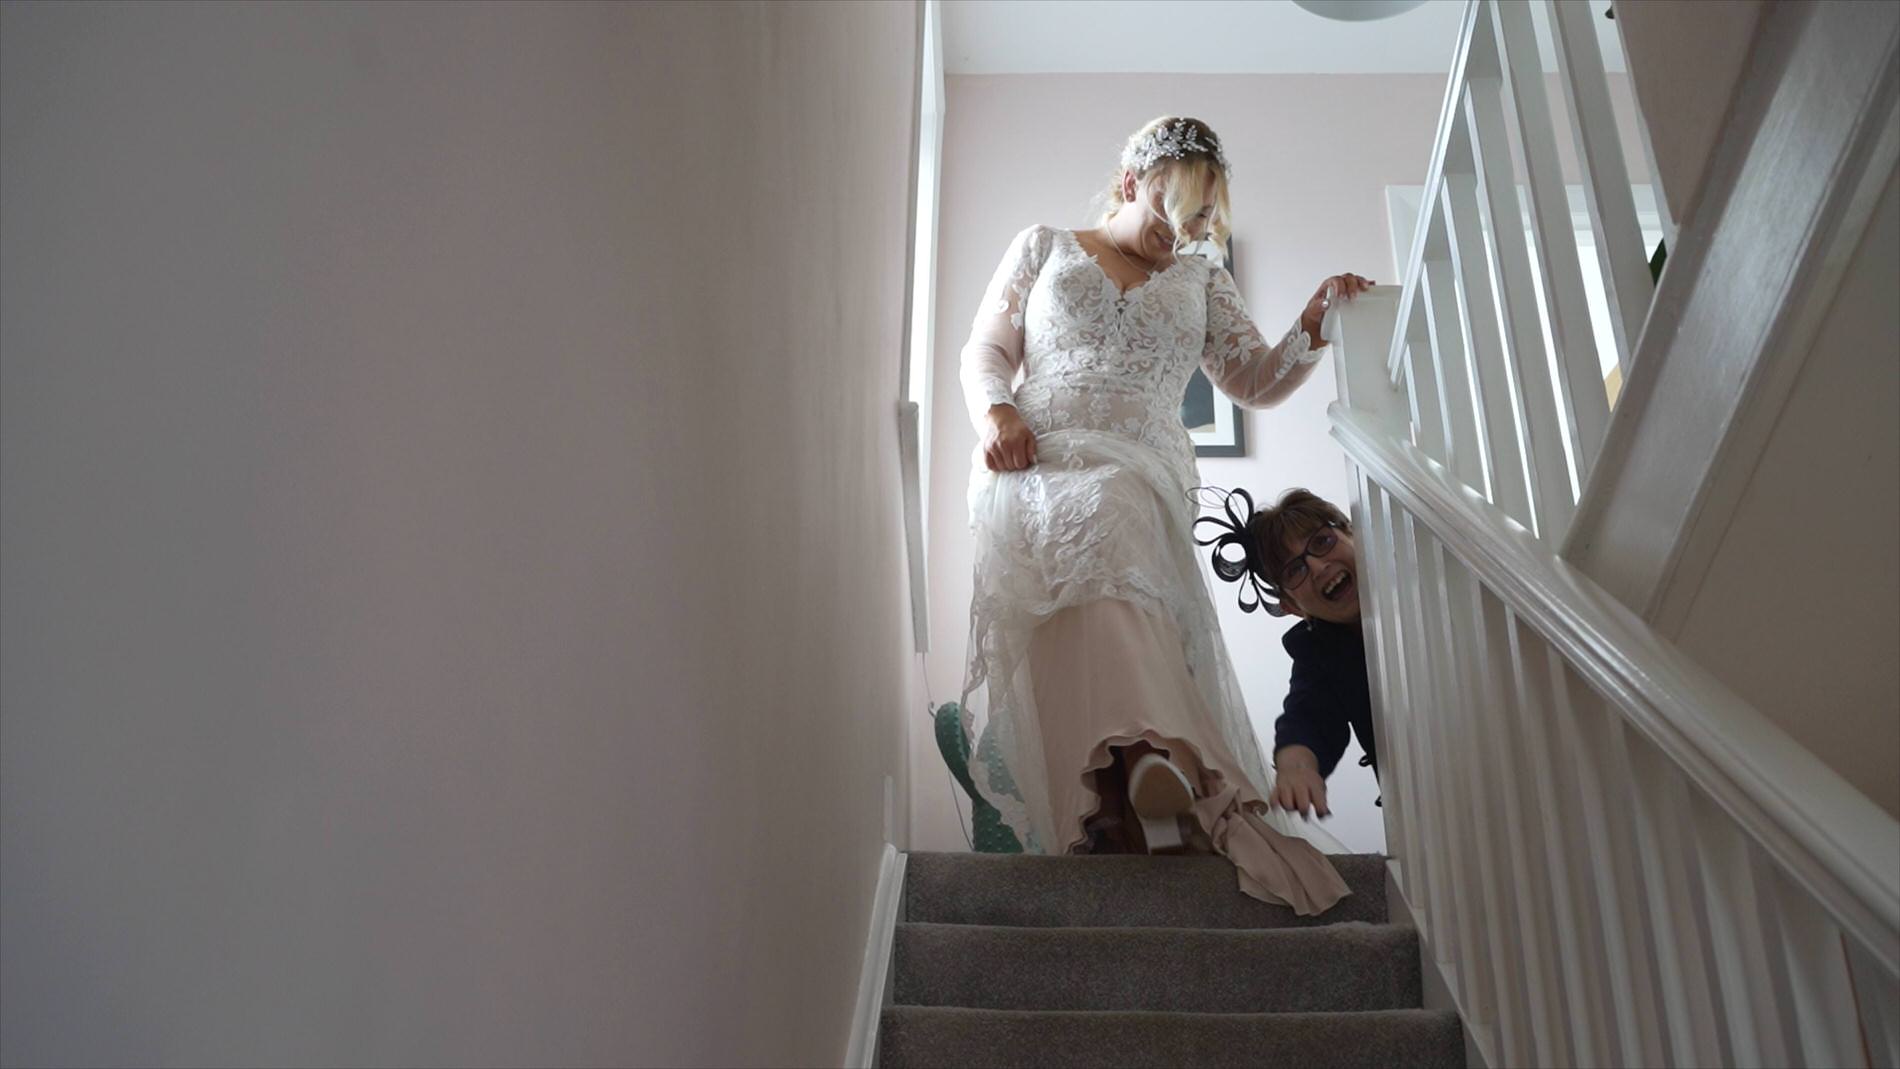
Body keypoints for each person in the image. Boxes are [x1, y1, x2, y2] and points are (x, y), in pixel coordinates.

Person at [955, 114, 1373, 915]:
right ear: (1128, 185)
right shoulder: (1043, 245)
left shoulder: (1201, 280)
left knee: (1115, 518)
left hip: (1142, 475)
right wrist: (998, 414)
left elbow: (1253, 377)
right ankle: (1141, 781)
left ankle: (1128, 796)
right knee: (1084, 557)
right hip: (1036, 463)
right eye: (1172, 214)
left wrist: (1314, 321)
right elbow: (987, 349)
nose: (1185, 235)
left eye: (1205, 221)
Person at [1197, 487, 1378, 822]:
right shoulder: (1318, 650)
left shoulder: (1426, 577)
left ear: (1352, 534)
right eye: (1295, 570)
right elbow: (1308, 716)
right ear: (1293, 607)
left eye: (1322, 542)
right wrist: (1296, 767)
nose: (1319, 566)